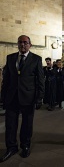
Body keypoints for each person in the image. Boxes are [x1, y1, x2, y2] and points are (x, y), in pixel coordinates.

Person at [0, 35, 45, 163]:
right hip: (12, 97)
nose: (22, 44)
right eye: (20, 42)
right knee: (10, 125)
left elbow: (40, 81)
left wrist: (39, 98)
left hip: (28, 98)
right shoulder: (10, 58)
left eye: (25, 42)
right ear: (17, 44)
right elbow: (6, 80)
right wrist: (3, 97)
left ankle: (25, 146)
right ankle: (11, 147)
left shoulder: (36, 59)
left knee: (27, 124)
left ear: (30, 44)